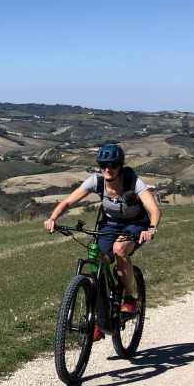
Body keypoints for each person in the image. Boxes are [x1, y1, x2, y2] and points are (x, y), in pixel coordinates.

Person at [43, 144, 161, 339]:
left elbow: (154, 210)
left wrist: (152, 228)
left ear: (120, 166)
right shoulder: (95, 181)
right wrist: (53, 218)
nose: (108, 168)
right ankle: (101, 317)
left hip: (135, 224)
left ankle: (130, 298)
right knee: (97, 258)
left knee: (119, 249)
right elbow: (68, 202)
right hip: (109, 225)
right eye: (103, 164)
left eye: (113, 165)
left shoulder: (133, 181)